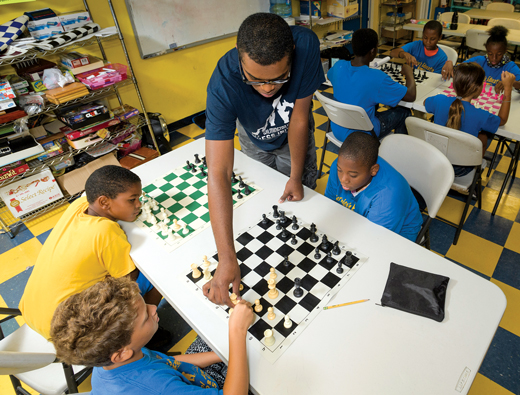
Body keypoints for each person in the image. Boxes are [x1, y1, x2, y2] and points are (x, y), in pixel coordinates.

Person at [204, 13, 325, 307]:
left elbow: (299, 118)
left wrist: (296, 176)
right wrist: (227, 257)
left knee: (301, 199)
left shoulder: (306, 44)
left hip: (292, 137)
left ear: (291, 56)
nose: (268, 88)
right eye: (255, 80)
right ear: (239, 60)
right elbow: (218, 171)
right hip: (252, 138)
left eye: (278, 78)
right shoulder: (223, 84)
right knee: (263, 196)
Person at [19, 165, 164, 340]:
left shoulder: (78, 205)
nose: (138, 205)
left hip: (32, 311)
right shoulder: (105, 231)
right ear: (103, 202)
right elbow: (128, 284)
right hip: (68, 331)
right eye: (132, 200)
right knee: (159, 273)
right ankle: (142, 333)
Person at [50, 276, 255, 395]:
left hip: (191, 380)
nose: (153, 308)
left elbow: (169, 362)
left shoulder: (117, 358)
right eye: (145, 317)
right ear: (121, 353)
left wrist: (220, 353)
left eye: (145, 303)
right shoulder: (156, 388)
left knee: (216, 335)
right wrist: (236, 333)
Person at [324, 132, 423, 242]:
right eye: (339, 170)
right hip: (356, 220)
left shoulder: (387, 196)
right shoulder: (342, 166)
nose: (343, 179)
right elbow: (329, 202)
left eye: (353, 175)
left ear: (373, 170)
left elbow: (373, 240)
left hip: (395, 234)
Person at [424, 62, 515, 176]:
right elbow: (502, 120)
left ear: (455, 85)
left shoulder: (439, 100)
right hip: (461, 169)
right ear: (477, 88)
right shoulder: (480, 115)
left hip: (436, 161)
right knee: (486, 134)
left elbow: (425, 102)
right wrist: (508, 89)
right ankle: (477, 166)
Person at [327, 28, 416, 142]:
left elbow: (329, 76)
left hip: (338, 128)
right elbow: (411, 96)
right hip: (362, 135)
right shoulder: (377, 78)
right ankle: (398, 154)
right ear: (373, 51)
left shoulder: (338, 66)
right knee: (404, 112)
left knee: (371, 104)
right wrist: (409, 72)